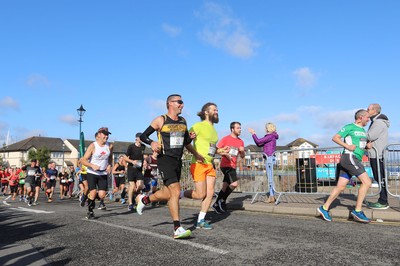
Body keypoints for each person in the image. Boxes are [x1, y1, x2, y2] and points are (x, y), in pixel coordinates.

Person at [136, 94, 194, 239]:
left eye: (182, 102)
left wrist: (190, 138)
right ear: (170, 103)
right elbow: (143, 136)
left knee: (168, 194)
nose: (182, 105)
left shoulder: (183, 121)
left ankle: (145, 200)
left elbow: (184, 140)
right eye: (179, 102)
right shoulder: (161, 119)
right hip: (165, 159)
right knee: (175, 191)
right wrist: (152, 143)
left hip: (178, 160)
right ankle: (177, 228)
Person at [317, 109, 372, 223]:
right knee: (367, 182)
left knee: (341, 187)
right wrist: (347, 146)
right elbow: (335, 137)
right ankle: (357, 210)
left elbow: (359, 144)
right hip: (349, 157)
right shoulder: (349, 127)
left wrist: (366, 146)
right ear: (360, 117)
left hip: (354, 158)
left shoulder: (363, 130)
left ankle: (324, 208)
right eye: (367, 117)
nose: (369, 119)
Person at [183, 102, 229, 230]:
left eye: (217, 110)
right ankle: (179, 193)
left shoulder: (214, 131)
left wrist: (221, 151)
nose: (217, 112)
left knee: (210, 193)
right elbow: (185, 141)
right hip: (198, 163)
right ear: (206, 112)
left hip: (209, 164)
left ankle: (201, 220)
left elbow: (212, 149)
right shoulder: (198, 126)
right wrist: (195, 154)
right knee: (200, 195)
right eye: (214, 110)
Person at [213, 122, 245, 214]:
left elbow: (242, 156)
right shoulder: (225, 139)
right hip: (226, 165)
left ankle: (216, 204)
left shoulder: (240, 141)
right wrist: (226, 154)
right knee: (234, 184)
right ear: (232, 129)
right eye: (238, 128)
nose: (240, 130)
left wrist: (242, 152)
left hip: (233, 165)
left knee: (225, 186)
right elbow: (217, 150)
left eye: (240, 128)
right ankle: (222, 200)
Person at [81, 127, 113, 219]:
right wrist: (92, 165)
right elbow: (83, 160)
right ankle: (90, 211)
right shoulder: (93, 146)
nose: (106, 136)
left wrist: (109, 165)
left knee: (102, 195)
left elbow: (110, 157)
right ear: (99, 135)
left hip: (103, 173)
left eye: (107, 135)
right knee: (93, 192)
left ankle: (91, 200)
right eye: (104, 134)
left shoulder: (110, 146)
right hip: (92, 172)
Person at [365, 103, 390, 209]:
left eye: (368, 109)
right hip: (378, 154)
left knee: (379, 178)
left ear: (374, 111)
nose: (367, 111)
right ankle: (382, 200)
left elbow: (370, 135)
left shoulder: (378, 123)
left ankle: (383, 201)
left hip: (377, 155)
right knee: (379, 178)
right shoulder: (377, 121)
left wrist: (356, 131)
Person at [248, 122, 279, 203]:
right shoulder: (271, 136)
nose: (265, 129)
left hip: (269, 157)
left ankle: (272, 196)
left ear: (268, 128)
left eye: (266, 128)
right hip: (269, 157)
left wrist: (253, 133)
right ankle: (272, 195)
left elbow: (258, 141)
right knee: (270, 177)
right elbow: (259, 144)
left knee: (270, 177)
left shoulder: (270, 136)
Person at [123, 132, 145, 211]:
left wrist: (144, 161)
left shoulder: (143, 147)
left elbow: (142, 156)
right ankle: (130, 204)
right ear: (136, 138)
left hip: (139, 169)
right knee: (132, 186)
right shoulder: (131, 147)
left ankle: (134, 195)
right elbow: (124, 157)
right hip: (131, 169)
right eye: (140, 138)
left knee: (140, 186)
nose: (142, 139)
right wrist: (132, 161)